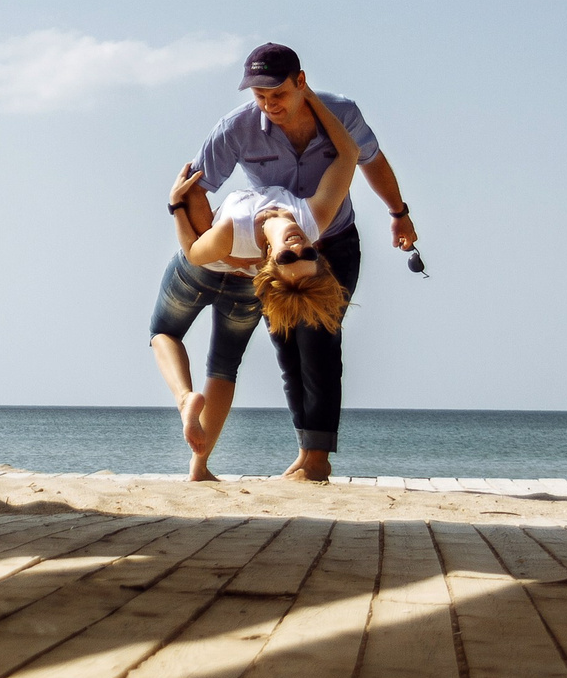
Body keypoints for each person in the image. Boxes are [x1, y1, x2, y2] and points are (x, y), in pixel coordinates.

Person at [189, 44, 418, 481]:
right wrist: (229, 252)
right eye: (259, 95)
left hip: (332, 242)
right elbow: (196, 188)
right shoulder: (236, 129)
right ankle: (305, 451)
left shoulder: (341, 114)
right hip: (275, 250)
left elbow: (367, 159)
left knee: (321, 338)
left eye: (277, 93)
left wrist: (398, 213)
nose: (269, 104)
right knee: (286, 342)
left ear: (300, 81)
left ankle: (317, 459)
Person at [148, 84, 358, 481]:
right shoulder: (313, 221)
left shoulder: (237, 228)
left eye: (287, 258)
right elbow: (349, 153)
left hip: (202, 270)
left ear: (271, 266)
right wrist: (309, 99)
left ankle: (184, 399)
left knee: (164, 331)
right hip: (242, 286)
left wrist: (177, 205)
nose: (299, 248)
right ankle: (200, 467)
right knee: (223, 368)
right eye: (309, 256)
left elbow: (195, 250)